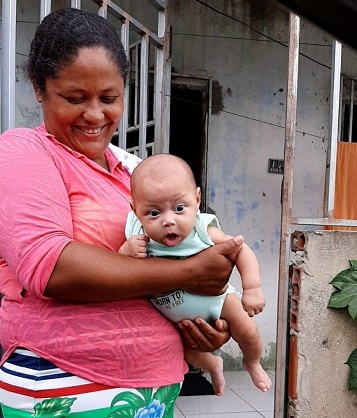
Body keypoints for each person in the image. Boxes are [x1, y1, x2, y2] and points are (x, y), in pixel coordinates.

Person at [0, 8, 244, 417]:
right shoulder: (23, 152)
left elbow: (183, 247)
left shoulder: (133, 170)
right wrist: (189, 273)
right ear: (39, 89)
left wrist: (207, 320)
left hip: (155, 388)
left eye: (109, 98)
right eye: (75, 99)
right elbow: (50, 266)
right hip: (66, 384)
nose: (95, 115)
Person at [119, 154, 272, 396]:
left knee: (248, 330)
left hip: (219, 302)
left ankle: (252, 363)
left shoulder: (203, 229)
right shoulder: (135, 233)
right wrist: (125, 251)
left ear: (197, 199)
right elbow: (119, 267)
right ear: (135, 210)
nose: (168, 221)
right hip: (175, 317)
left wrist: (252, 288)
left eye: (179, 209)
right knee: (185, 350)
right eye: (154, 213)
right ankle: (213, 364)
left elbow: (240, 249)